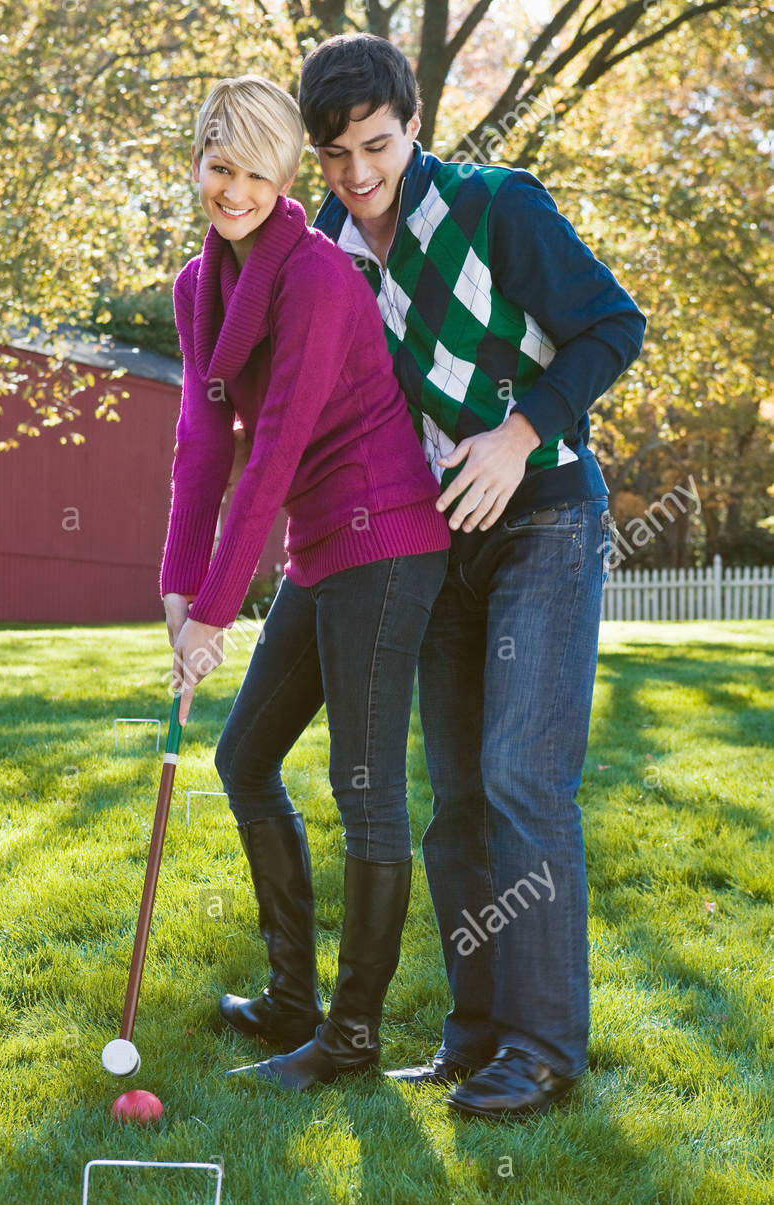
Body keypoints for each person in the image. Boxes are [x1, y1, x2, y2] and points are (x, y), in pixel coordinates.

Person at [299, 35, 647, 1117]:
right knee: (451, 798)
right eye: (334, 154)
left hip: (541, 512)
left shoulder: (497, 205)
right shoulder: (322, 246)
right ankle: (475, 1033)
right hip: (431, 539)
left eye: (377, 145)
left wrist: (516, 433)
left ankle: (542, 1048)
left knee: (520, 779)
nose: (358, 175)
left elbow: (612, 325)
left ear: (414, 127)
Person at [159, 75, 450, 1091]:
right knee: (243, 758)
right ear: (197, 163)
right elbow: (204, 435)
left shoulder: (318, 277)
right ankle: (291, 997)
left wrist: (216, 613)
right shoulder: (202, 288)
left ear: (286, 178)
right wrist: (178, 587)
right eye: (218, 167)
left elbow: (273, 450)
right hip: (319, 548)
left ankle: (351, 1040)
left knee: (362, 787)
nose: (233, 190)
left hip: (385, 537)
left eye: (255, 173)